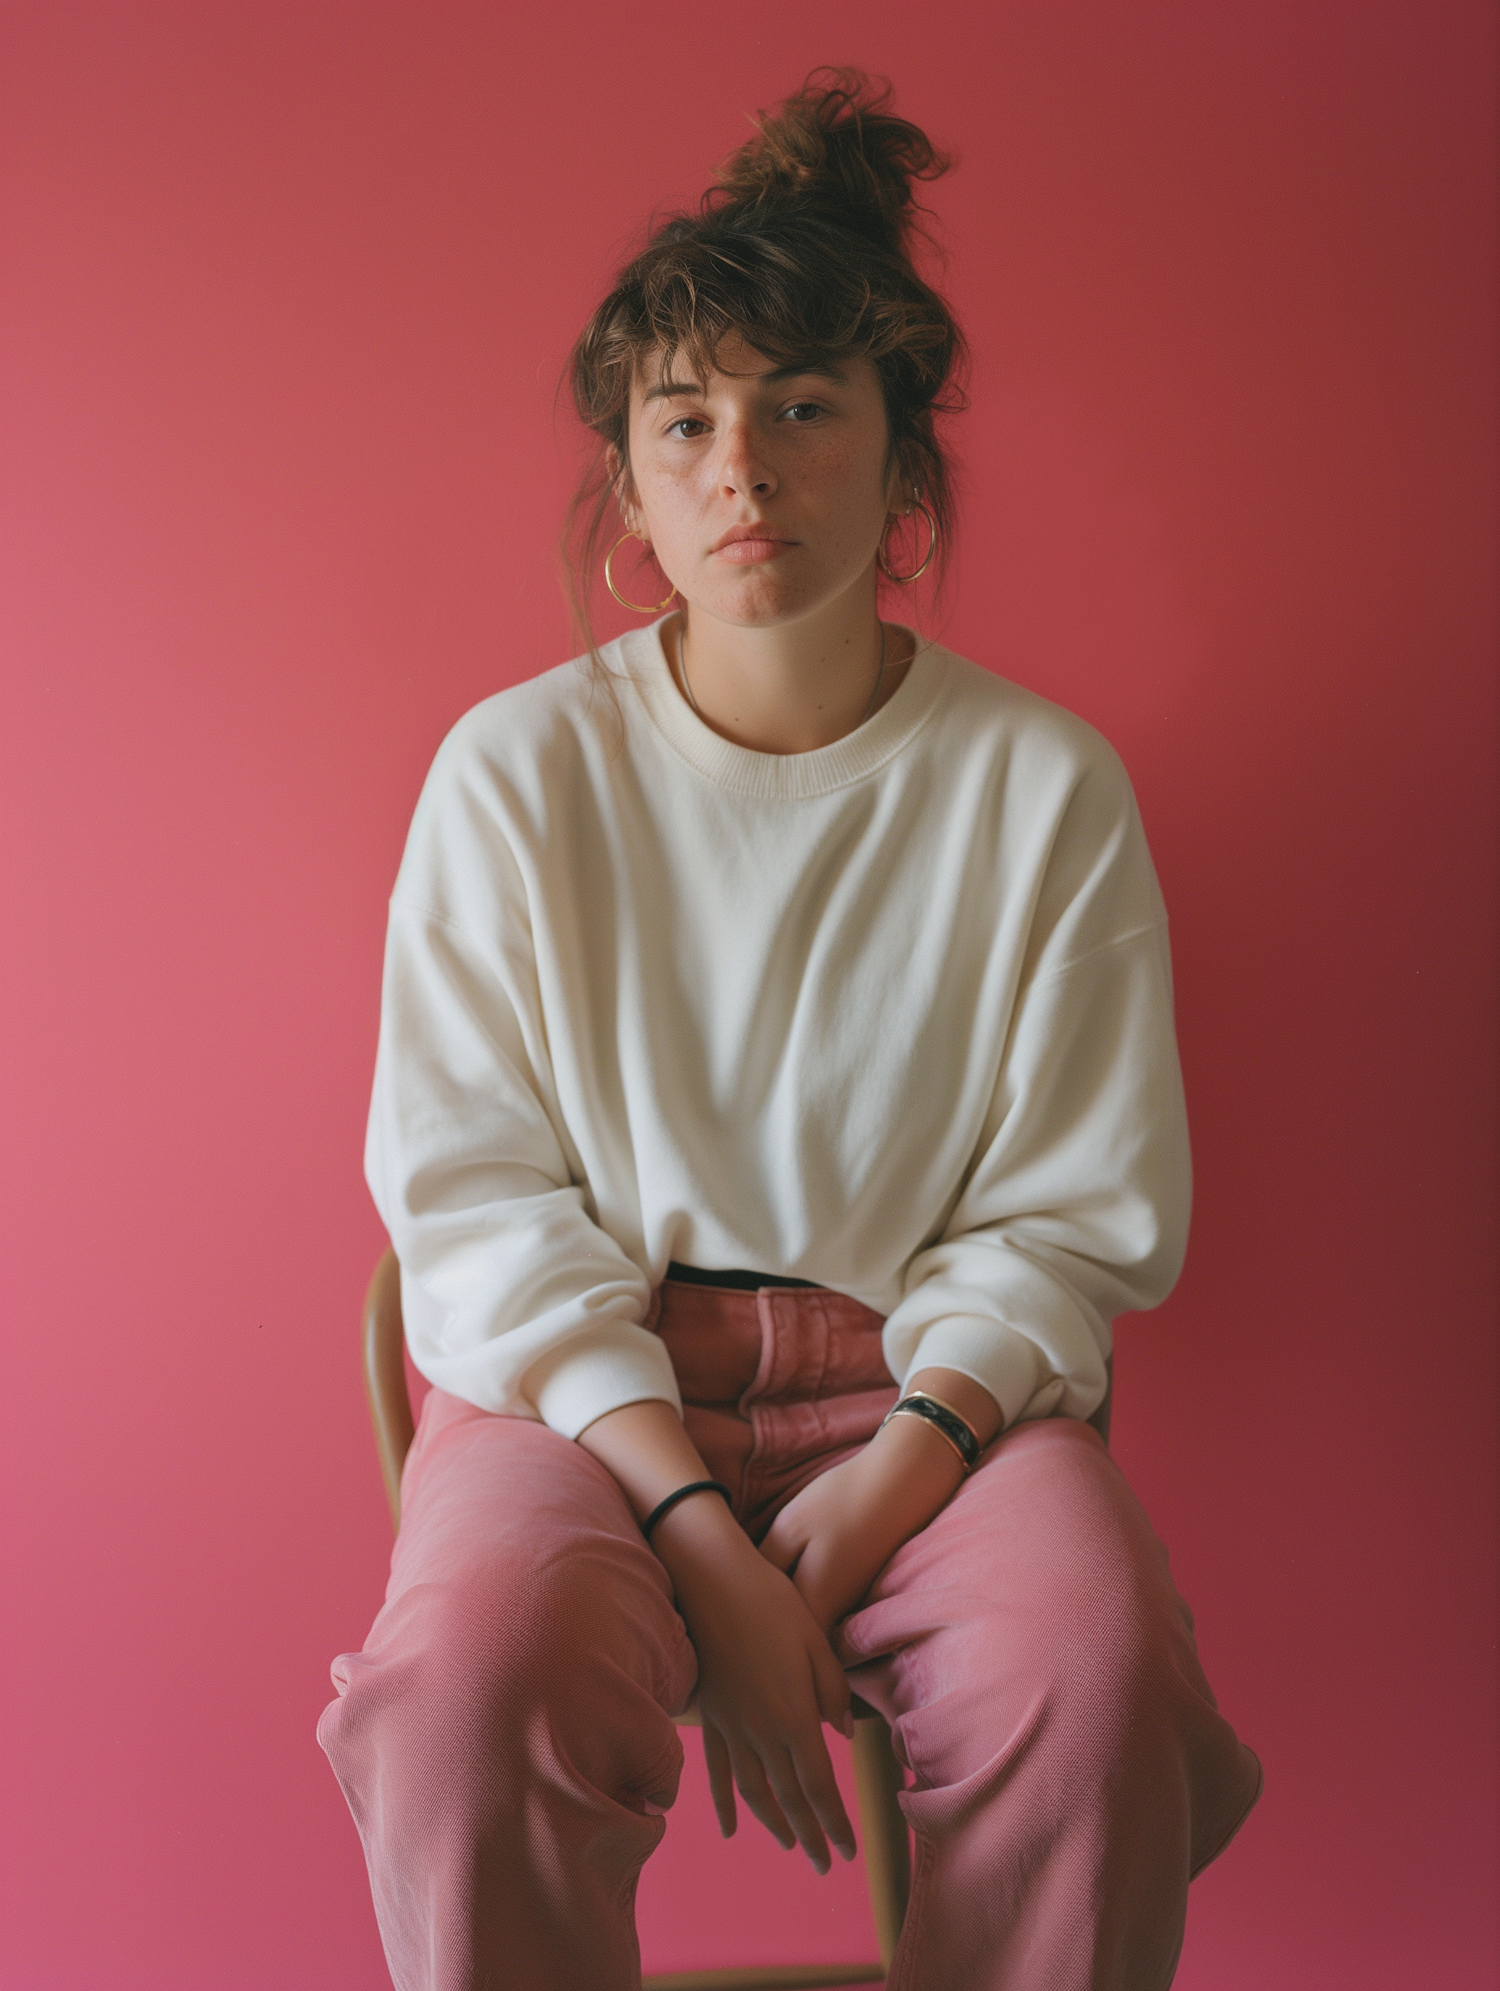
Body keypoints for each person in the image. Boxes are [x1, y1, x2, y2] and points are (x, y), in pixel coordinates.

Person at [319, 69, 1261, 1991]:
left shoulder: (1040, 787)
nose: (743, 464)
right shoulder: (513, 776)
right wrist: (693, 1527)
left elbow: (1070, 1217)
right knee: (457, 1694)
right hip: (587, 1391)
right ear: (637, 487)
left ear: (902, 462)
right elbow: (472, 1195)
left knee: (1101, 1681)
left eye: (803, 408)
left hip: (923, 1393)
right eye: (689, 422)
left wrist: (880, 1489)